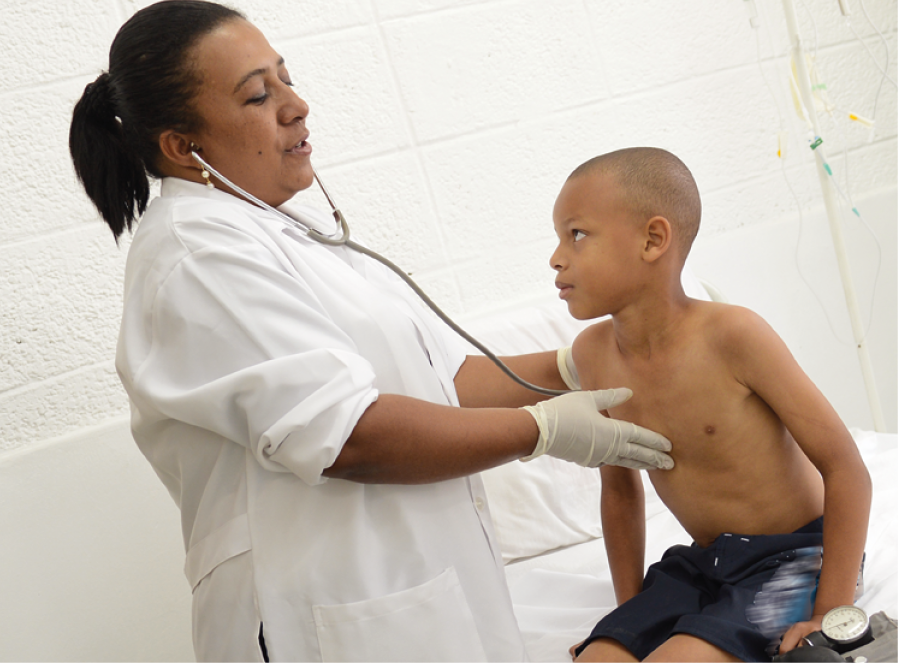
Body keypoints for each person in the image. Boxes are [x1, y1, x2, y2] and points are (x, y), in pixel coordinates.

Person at [68, 3, 674, 662]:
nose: (297, 106)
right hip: (323, 618)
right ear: (184, 147)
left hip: (412, 598)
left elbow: (448, 382)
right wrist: (545, 430)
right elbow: (350, 435)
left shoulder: (285, 236)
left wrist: (577, 365)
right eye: (257, 94)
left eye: (286, 79)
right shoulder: (196, 256)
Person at [550, 148, 871, 663]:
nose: (557, 257)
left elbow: (846, 466)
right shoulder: (592, 356)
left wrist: (830, 615)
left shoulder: (733, 335)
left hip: (798, 558)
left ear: (653, 239)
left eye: (577, 234)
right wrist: (628, 621)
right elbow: (621, 493)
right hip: (705, 562)